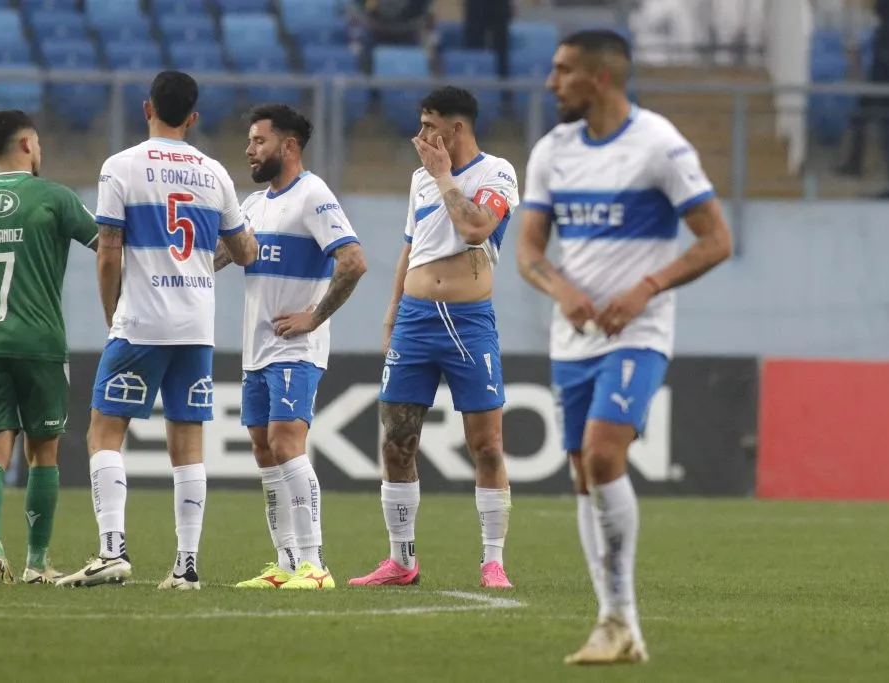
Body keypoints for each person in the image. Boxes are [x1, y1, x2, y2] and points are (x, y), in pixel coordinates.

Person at [515, 30, 732, 664]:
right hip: (573, 339)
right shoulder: (552, 151)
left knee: (603, 454)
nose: (551, 82)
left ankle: (618, 618)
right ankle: (616, 626)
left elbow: (716, 239)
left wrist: (646, 288)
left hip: (640, 333)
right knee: (583, 471)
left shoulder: (659, 145)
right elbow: (529, 250)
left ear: (600, 78)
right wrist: (562, 289)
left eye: (563, 70)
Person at [56, 71, 258, 591]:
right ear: (193, 117)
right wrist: (207, 258)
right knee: (187, 443)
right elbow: (245, 252)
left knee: (104, 432)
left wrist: (112, 311)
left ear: (147, 108)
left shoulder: (121, 166)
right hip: (196, 325)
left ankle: (112, 551)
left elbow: (108, 249)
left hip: (141, 320)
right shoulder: (214, 172)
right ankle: (186, 566)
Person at [349, 86, 519, 589]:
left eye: (429, 126)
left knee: (487, 445)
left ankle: (492, 561)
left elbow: (475, 228)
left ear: (456, 128)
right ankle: (401, 560)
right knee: (397, 441)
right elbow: (410, 248)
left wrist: (445, 176)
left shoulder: (497, 173)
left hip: (469, 323)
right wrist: (391, 314)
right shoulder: (419, 180)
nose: (420, 135)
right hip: (415, 321)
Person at [0, 109, 101, 584]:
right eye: (39, 142)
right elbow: (107, 245)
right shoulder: (56, 198)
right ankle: (36, 562)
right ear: (27, 144)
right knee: (42, 452)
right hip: (40, 344)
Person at [218, 104, 368, 591]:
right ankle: (285, 565)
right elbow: (217, 258)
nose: (249, 149)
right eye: (249, 140)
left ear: (288, 146)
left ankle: (315, 564)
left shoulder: (313, 195)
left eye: (258, 140)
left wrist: (315, 317)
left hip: (295, 349)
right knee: (264, 449)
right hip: (256, 349)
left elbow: (353, 260)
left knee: (286, 442)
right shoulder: (253, 205)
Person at [837, 0, 889, 198]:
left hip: (886, 86)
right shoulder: (887, 24)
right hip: (878, 83)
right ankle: (856, 164)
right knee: (862, 121)